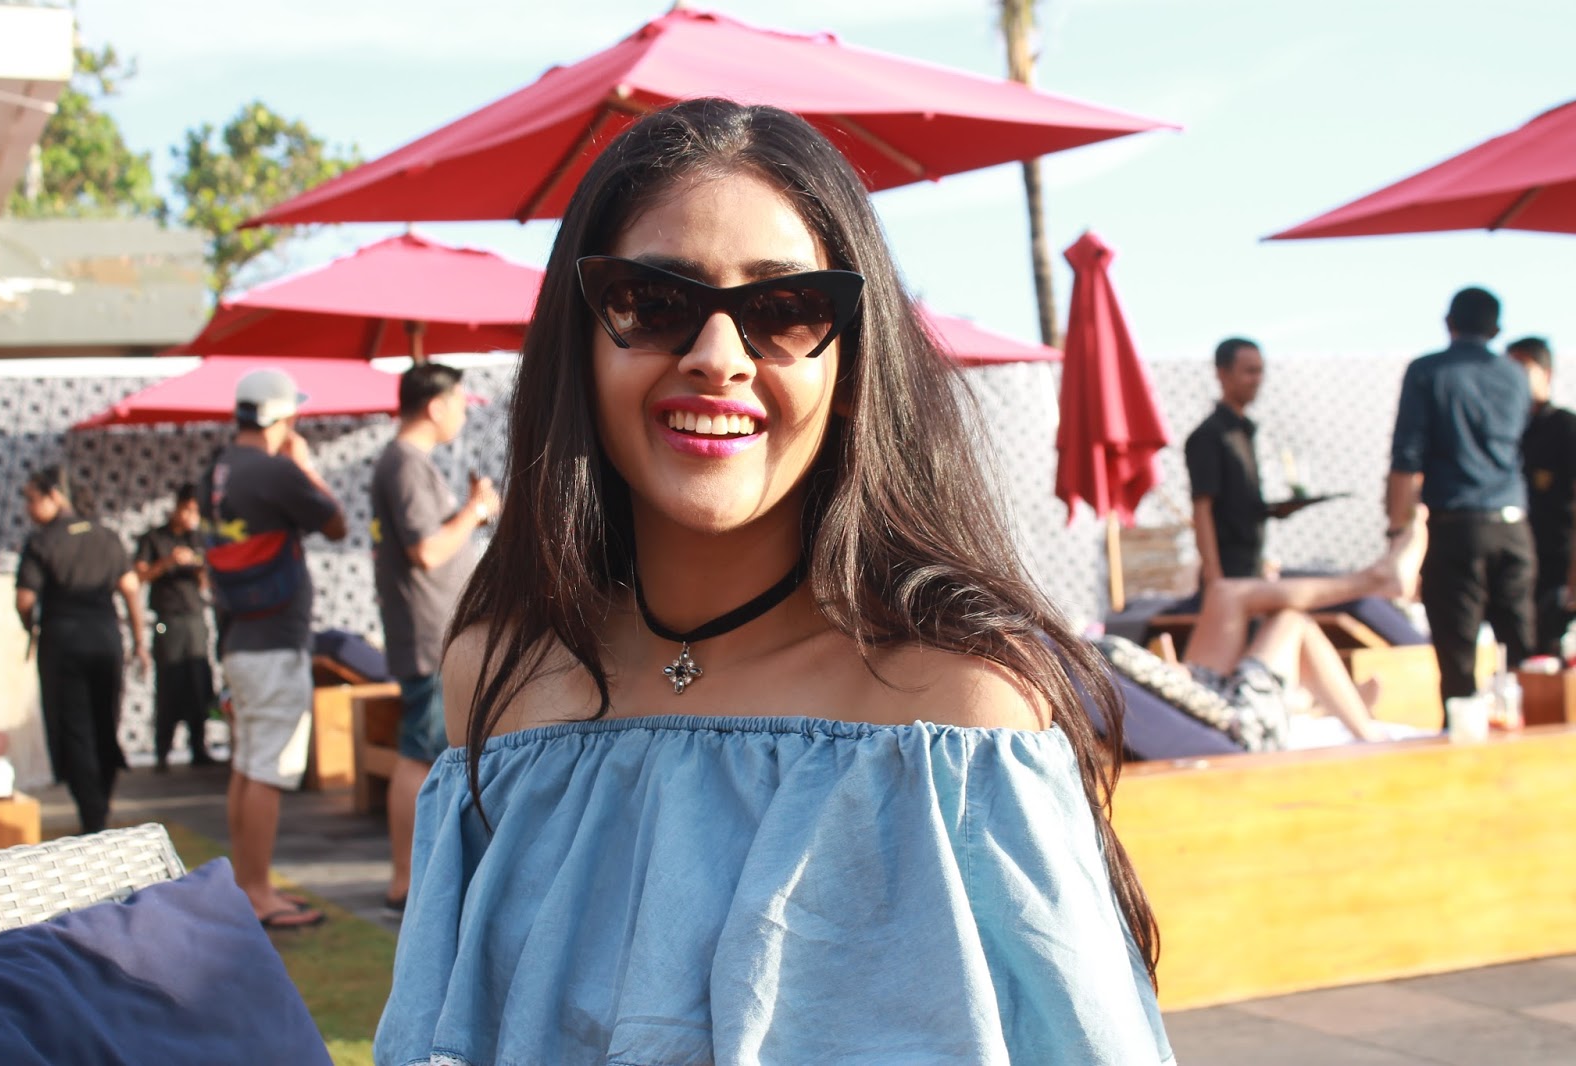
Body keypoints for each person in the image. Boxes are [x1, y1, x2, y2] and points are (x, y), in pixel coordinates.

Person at [374, 99, 1172, 1065]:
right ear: (577, 343)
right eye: (653, 303)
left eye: (785, 311)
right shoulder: (496, 685)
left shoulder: (955, 712)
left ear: (855, 362)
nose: (717, 359)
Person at [202, 368, 347, 929]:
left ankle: (247, 885)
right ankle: (259, 893)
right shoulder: (276, 471)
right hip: (275, 642)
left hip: (238, 637)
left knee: (246, 766)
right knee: (266, 768)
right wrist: (305, 465)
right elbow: (335, 523)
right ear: (278, 417)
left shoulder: (216, 470)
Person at [369, 362, 500, 916]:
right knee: (420, 755)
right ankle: (405, 882)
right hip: (429, 633)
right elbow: (427, 551)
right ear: (435, 405)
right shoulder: (404, 462)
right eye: (459, 403)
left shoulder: (407, 462)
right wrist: (475, 510)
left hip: (434, 630)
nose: (462, 415)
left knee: (428, 751)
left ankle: (416, 878)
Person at [1388, 287, 1535, 712]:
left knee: (1457, 656)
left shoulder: (1427, 371)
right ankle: (1537, 732)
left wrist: (1398, 535)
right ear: (1497, 329)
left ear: (1448, 322)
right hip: (1513, 527)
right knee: (1522, 654)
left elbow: (1406, 459)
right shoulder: (1515, 376)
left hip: (1456, 527)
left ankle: (1463, 734)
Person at [1176, 519, 1427, 744]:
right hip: (1228, 726)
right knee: (1290, 621)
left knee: (1225, 594)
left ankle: (1328, 708)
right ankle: (1363, 730)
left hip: (1195, 701)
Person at [14, 466, 150, 833]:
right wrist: (140, 642)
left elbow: (24, 600)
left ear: (55, 495)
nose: (27, 507)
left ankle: (92, 816)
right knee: (105, 721)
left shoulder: (42, 541)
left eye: (32, 499)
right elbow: (131, 590)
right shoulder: (106, 535)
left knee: (75, 728)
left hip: (63, 641)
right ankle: (100, 805)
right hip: (106, 637)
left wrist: (31, 628)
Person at [1185, 337, 1310, 585]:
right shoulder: (1209, 435)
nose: (1257, 380)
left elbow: (1238, 505)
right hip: (1228, 570)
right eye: (1249, 372)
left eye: (1260, 371)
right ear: (1222, 373)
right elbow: (1202, 508)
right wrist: (1213, 573)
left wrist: (1274, 510)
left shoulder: (1244, 432)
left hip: (1250, 564)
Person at [134, 483, 218, 770]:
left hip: (195, 617)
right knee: (170, 682)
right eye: (188, 509)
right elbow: (140, 576)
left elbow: (207, 582)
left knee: (198, 681)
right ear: (178, 507)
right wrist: (169, 562)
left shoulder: (200, 539)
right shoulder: (154, 538)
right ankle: (163, 750)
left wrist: (200, 567)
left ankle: (199, 747)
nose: (191, 516)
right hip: (166, 621)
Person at [1506, 336, 1576, 654]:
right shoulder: (1504, 432)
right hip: (1513, 567)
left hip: (1555, 568)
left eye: (1522, 368)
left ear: (1546, 373)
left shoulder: (1565, 428)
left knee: (1550, 656)